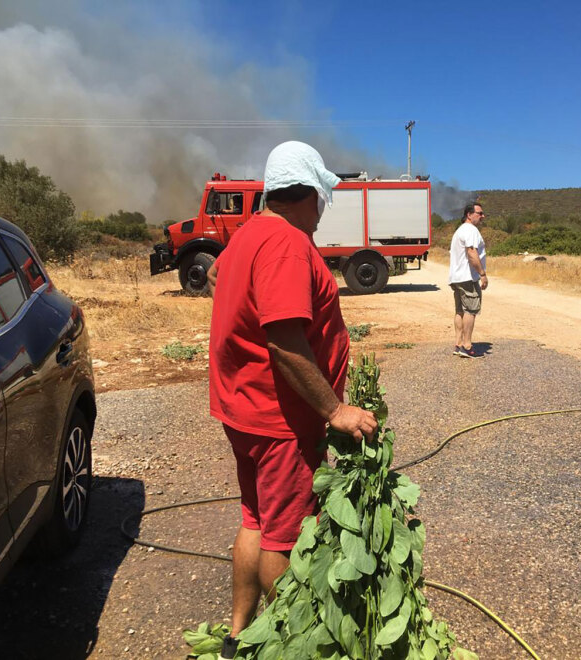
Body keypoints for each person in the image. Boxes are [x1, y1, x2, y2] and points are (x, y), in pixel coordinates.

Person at [208, 141, 378, 657]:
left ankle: (238, 637)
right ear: (305, 195)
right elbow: (284, 339)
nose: (323, 209)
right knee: (285, 537)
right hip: (279, 420)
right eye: (321, 197)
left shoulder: (247, 237)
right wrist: (334, 409)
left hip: (241, 410)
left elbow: (217, 276)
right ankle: (287, 644)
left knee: (254, 521)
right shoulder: (285, 242)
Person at [448, 202, 488, 358]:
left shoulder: (459, 231)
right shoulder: (471, 230)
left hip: (456, 278)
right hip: (468, 277)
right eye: (479, 213)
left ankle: (458, 344)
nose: (482, 216)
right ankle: (467, 346)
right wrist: (482, 274)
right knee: (471, 311)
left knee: (460, 311)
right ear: (469, 215)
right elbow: (472, 252)